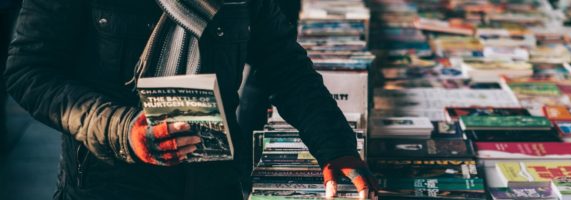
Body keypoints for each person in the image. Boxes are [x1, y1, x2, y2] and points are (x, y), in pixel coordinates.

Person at [4, 0, 376, 199]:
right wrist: (123, 130)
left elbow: (284, 64)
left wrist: (335, 147)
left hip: (213, 184)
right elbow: (29, 71)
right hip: (108, 185)